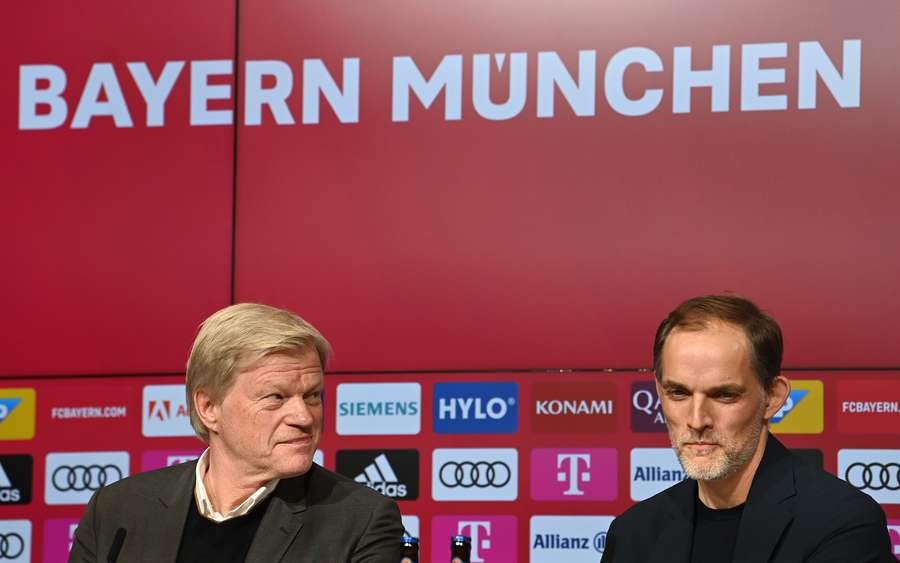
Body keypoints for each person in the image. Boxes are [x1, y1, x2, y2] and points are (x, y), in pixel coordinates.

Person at [70, 303, 403, 563]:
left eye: (313, 395)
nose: (304, 416)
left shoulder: (361, 520)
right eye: (276, 397)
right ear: (210, 407)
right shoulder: (117, 511)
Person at [601, 294, 893, 563]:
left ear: (773, 397)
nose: (697, 419)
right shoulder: (633, 534)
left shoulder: (842, 523)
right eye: (679, 393)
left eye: (724, 395)